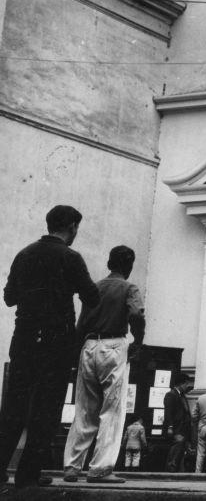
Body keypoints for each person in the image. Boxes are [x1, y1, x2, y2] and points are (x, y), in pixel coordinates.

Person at [0, 205, 99, 488]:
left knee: (13, 407)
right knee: (46, 409)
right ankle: (27, 475)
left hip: (24, 340)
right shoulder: (71, 257)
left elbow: (9, 298)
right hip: (57, 343)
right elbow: (91, 297)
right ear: (71, 226)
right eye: (76, 228)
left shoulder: (25, 254)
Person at [63, 244, 145, 484]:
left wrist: (75, 354)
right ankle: (100, 468)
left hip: (88, 346)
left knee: (85, 409)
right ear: (129, 266)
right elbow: (136, 315)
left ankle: (72, 466)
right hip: (114, 345)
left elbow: (81, 323)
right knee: (112, 410)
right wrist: (138, 340)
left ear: (109, 263)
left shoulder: (95, 287)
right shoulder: (129, 287)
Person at [163, 373, 194, 472]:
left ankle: (175, 472)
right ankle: (170, 472)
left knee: (179, 453)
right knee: (175, 453)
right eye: (186, 384)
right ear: (181, 384)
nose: (186, 387)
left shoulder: (182, 396)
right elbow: (168, 413)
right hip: (177, 429)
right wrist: (171, 428)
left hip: (183, 430)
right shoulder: (171, 395)